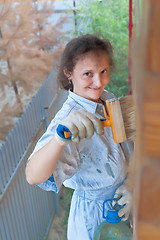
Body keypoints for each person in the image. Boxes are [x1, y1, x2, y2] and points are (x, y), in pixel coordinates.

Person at [25, 34, 133, 240]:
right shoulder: (67, 122)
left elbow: (131, 150)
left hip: (123, 209)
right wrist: (59, 137)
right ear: (68, 73)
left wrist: (133, 184)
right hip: (94, 221)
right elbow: (33, 176)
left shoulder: (108, 100)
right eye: (88, 74)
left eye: (104, 71)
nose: (98, 81)